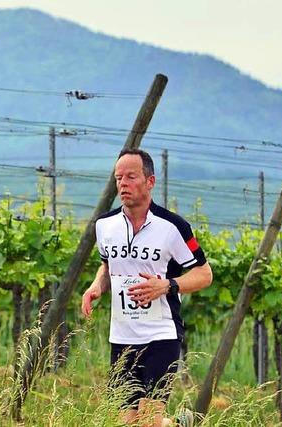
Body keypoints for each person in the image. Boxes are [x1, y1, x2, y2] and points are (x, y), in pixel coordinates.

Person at [81, 148, 212, 427]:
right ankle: (176, 424)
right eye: (118, 178)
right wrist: (96, 287)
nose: (123, 184)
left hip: (161, 333)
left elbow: (204, 273)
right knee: (125, 422)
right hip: (122, 335)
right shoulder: (104, 225)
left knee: (147, 422)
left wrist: (167, 285)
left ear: (150, 182)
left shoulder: (173, 226)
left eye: (131, 177)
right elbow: (108, 266)